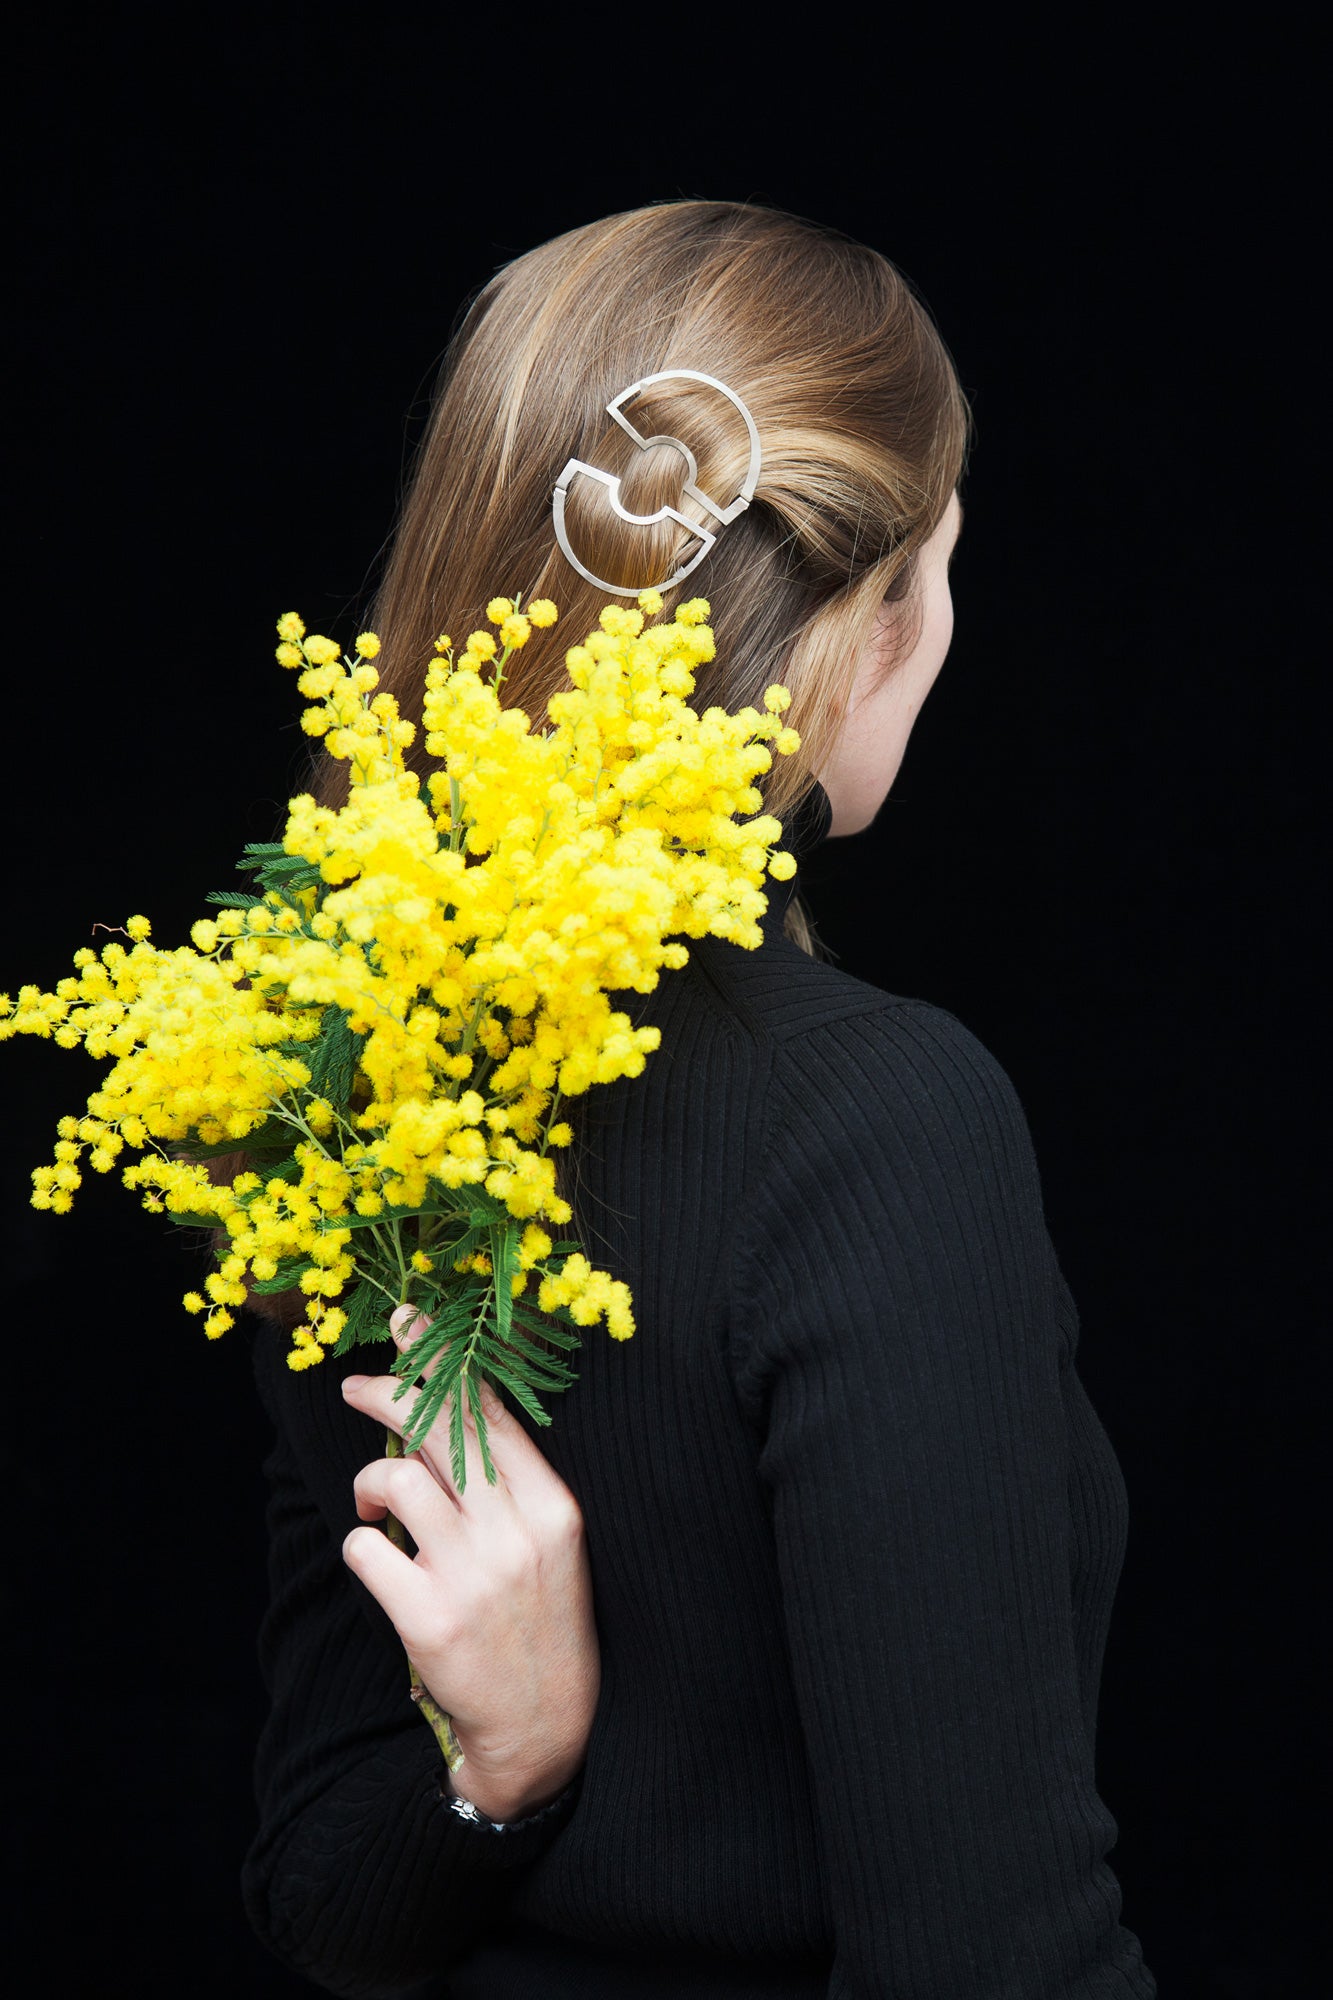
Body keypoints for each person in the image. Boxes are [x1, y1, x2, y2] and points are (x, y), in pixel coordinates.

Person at [240, 200, 1158, 1997]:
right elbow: (992, 1964)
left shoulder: (353, 1081)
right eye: (938, 564)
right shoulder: (881, 1126)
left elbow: (321, 1906)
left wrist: (498, 1781)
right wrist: (498, 1764)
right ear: (849, 623)